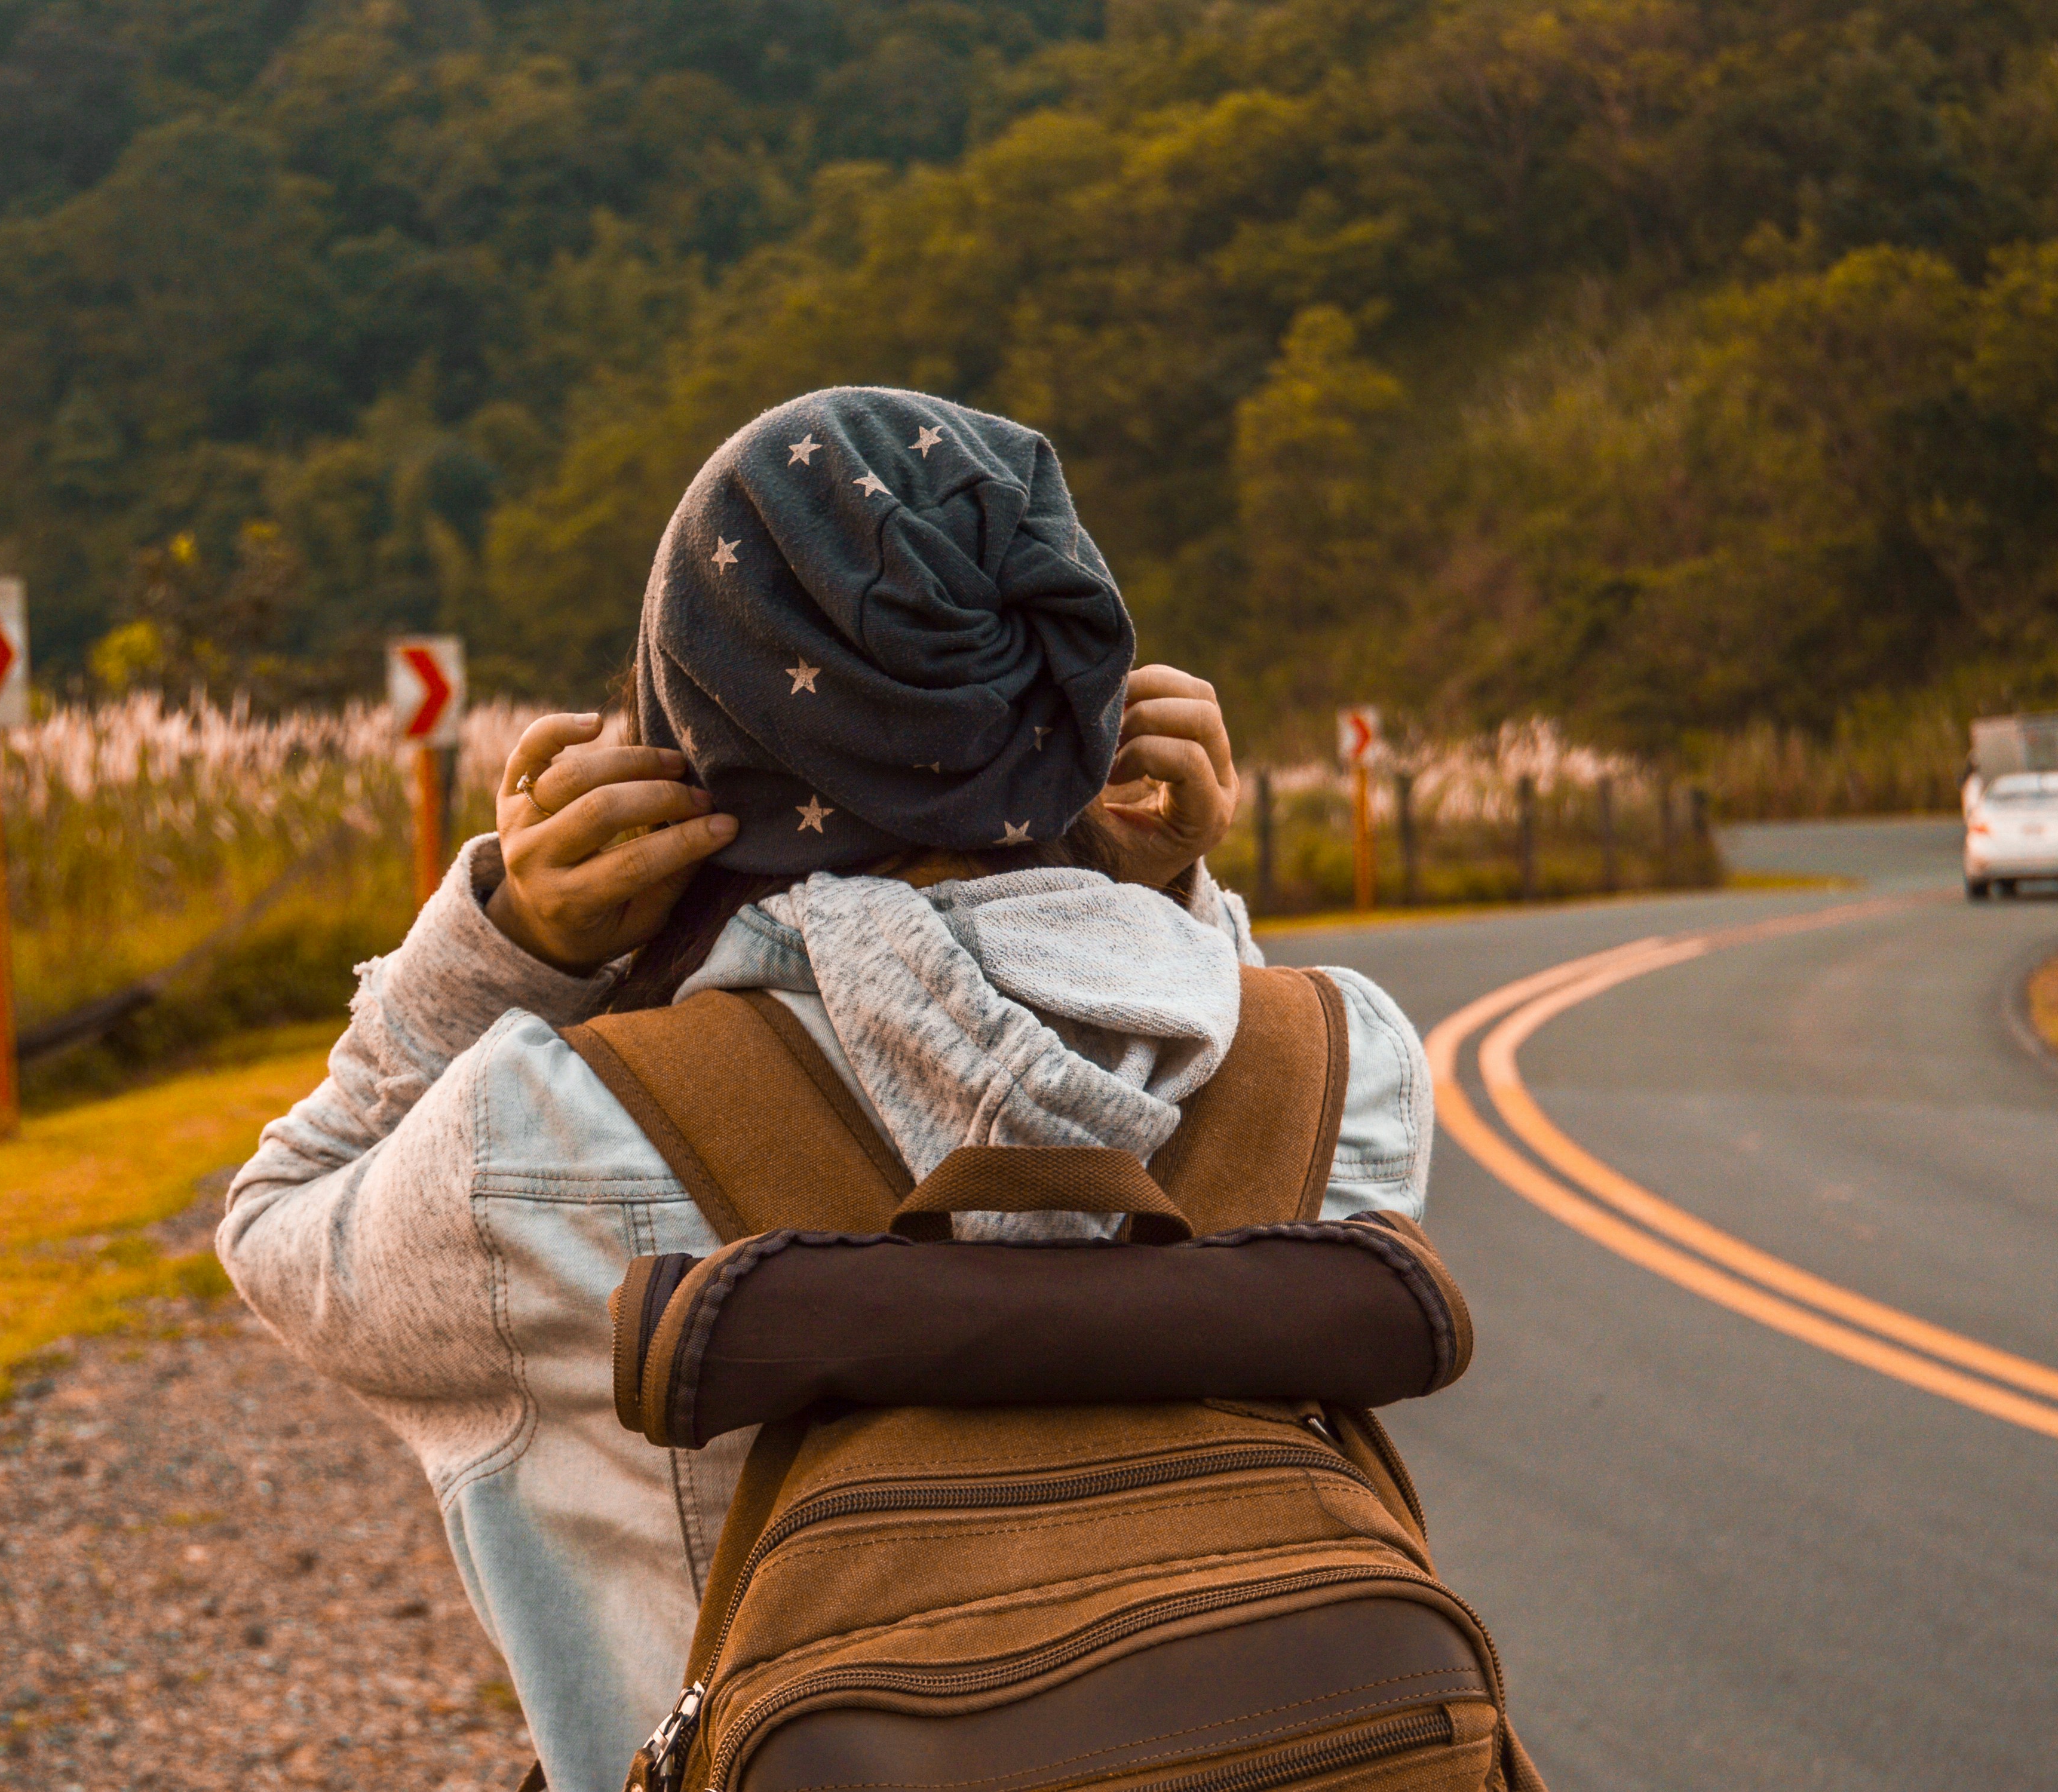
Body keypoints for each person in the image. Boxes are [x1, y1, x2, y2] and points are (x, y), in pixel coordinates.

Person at [217, 387, 1438, 1791]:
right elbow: (1192, 1107)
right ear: (1084, 701)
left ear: (686, 722)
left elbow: (278, 1222)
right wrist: (1162, 896)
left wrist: (508, 946)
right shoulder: (1351, 1069)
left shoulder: (549, 1134)